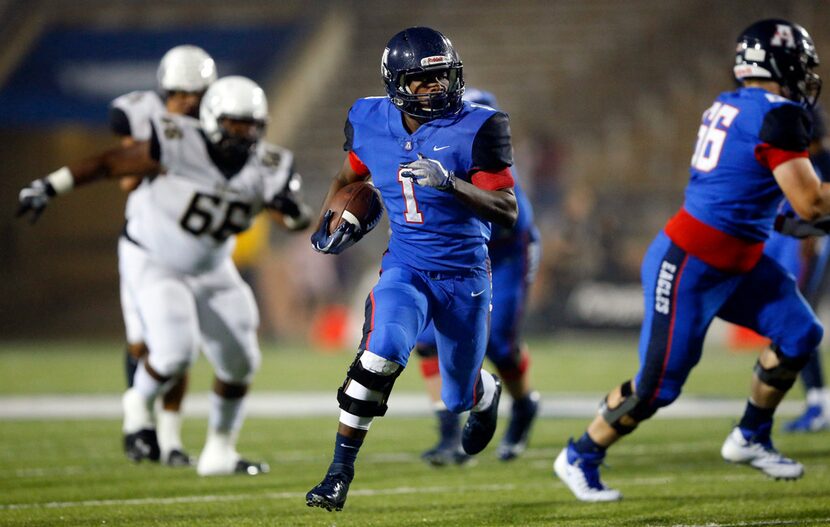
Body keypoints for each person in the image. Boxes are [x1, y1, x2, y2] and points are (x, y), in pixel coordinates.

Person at [554, 18, 826, 502]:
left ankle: (750, 435)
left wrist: (790, 217)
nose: (807, 75)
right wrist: (804, 215)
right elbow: (812, 204)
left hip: (737, 257)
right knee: (658, 386)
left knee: (801, 332)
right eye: (801, 64)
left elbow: (750, 186)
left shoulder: (732, 102)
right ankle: (580, 453)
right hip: (692, 264)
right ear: (781, 64)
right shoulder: (780, 115)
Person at [17, 75, 312, 476]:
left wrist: (294, 213)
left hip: (212, 266)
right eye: (234, 124)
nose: (243, 134)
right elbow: (109, 163)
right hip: (159, 260)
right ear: (211, 119)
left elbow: (292, 217)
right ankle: (138, 403)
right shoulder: (178, 141)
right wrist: (49, 186)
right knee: (175, 351)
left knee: (242, 361)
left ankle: (219, 452)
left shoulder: (268, 164)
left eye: (251, 125)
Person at [304, 27, 518, 512]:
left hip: (465, 277)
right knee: (378, 356)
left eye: (443, 78)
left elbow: (507, 210)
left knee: (458, 396)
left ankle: (484, 392)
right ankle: (338, 474)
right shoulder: (367, 117)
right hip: (406, 268)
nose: (436, 89)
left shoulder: (481, 125)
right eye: (423, 82)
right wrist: (331, 217)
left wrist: (451, 185)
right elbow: (348, 175)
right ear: (396, 83)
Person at [416, 88, 541, 466]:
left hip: (503, 254)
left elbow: (505, 220)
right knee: (426, 341)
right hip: (458, 255)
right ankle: (449, 434)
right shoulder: (433, 152)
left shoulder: (497, 168)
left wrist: (454, 193)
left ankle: (523, 405)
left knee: (499, 344)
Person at [108, 44, 217, 466]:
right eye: (180, 94)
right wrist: (158, 158)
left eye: (196, 94)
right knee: (142, 343)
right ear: (164, 90)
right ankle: (141, 427)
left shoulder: (214, 125)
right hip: (144, 246)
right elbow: (125, 180)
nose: (188, 102)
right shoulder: (142, 117)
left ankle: (170, 440)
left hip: (188, 246)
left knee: (179, 342)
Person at [773, 104, 830, 433]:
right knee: (797, 324)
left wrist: (808, 232)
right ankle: (818, 403)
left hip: (815, 240)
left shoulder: (815, 163)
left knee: (800, 322)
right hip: (806, 236)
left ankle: (819, 405)